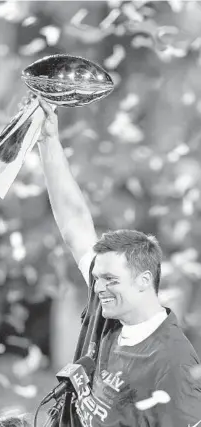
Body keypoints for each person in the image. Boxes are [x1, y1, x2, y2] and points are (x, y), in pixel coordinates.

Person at [36, 98, 201, 427]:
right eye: (97, 278)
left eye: (110, 280)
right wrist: (48, 140)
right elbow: (74, 224)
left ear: (143, 281)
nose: (98, 288)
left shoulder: (174, 363)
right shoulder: (109, 304)